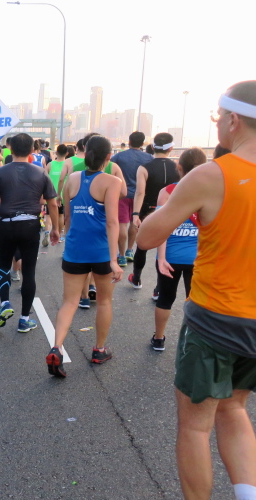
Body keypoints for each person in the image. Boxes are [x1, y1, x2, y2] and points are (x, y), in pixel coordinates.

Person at [136, 81, 256, 500]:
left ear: (233, 120)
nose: (217, 124)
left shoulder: (212, 174)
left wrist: (159, 211)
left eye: (218, 117)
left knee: (195, 426)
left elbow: (147, 237)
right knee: (235, 407)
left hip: (215, 319)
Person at [45, 135, 123, 377]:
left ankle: (56, 347)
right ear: (109, 156)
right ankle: (99, 349)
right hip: (101, 252)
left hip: (75, 249)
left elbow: (68, 217)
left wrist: (66, 239)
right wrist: (114, 259)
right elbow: (112, 222)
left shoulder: (72, 179)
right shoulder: (112, 181)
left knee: (69, 302)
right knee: (104, 301)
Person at [0, 133, 59, 332]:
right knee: (29, 272)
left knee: (3, 266)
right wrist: (55, 229)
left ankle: (5, 303)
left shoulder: (1, 172)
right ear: (32, 150)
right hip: (31, 225)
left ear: (11, 149)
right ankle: (24, 319)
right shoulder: (40, 172)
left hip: (7, 224)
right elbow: (52, 203)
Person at [150, 147, 207, 352]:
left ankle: (159, 338)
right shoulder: (209, 191)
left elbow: (162, 227)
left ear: (179, 167)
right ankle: (194, 342)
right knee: (196, 301)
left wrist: (161, 258)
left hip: (170, 256)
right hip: (198, 258)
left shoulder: (166, 192)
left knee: (165, 298)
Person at [130, 132, 180, 292]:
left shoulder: (144, 168)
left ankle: (136, 278)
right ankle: (159, 288)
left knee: (142, 246)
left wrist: (135, 214)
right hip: (171, 211)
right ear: (171, 148)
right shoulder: (178, 167)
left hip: (148, 210)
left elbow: (140, 192)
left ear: (152, 147)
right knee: (166, 247)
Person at [110, 132, 153, 267]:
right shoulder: (149, 158)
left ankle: (122, 256)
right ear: (142, 143)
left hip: (122, 194)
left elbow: (109, 169)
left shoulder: (119, 156)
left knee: (122, 224)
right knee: (135, 222)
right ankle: (130, 250)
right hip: (139, 195)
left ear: (129, 141)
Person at [45, 144, 68, 240]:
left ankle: (47, 232)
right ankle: (58, 234)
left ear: (56, 152)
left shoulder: (50, 164)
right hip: (62, 193)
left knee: (48, 214)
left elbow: (44, 177)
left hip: (50, 193)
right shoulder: (68, 164)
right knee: (61, 215)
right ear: (67, 153)